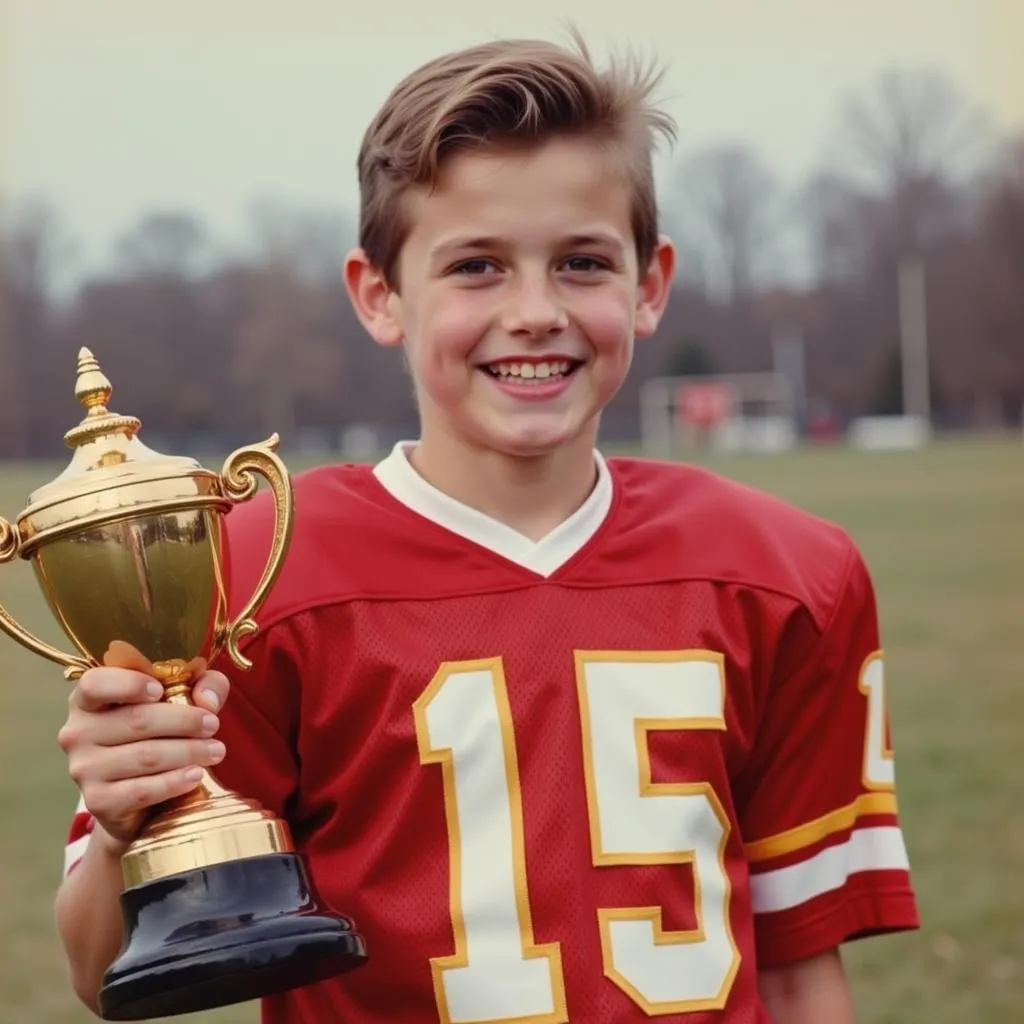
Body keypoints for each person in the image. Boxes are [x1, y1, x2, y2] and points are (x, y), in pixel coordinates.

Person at [53, 33, 919, 1023]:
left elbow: (799, 970)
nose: (535, 311)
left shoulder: (782, 574)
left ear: (647, 283)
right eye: (476, 266)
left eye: (583, 262)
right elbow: (97, 973)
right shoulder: (253, 572)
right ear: (379, 293)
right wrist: (123, 827)